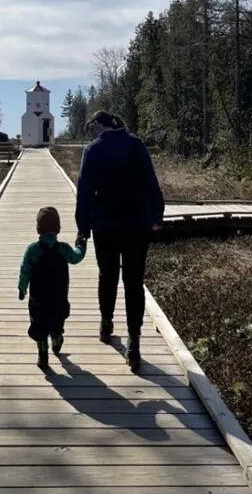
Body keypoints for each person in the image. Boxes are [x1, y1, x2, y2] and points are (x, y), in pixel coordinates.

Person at [75, 111, 164, 373]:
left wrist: (83, 227)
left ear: (101, 125)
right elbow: (151, 182)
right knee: (134, 281)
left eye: (92, 127)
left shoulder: (93, 150)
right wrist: (157, 214)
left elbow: (84, 192)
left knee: (107, 274)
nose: (91, 132)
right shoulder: (137, 146)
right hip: (137, 224)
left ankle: (106, 324)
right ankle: (134, 342)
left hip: (105, 224)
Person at [18, 205, 86, 369]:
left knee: (39, 325)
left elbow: (25, 269)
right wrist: (81, 245)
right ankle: (56, 340)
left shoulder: (32, 250)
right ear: (58, 228)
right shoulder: (63, 249)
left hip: (38, 298)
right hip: (58, 297)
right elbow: (76, 258)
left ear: (38, 228)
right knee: (57, 322)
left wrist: (22, 287)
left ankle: (43, 354)